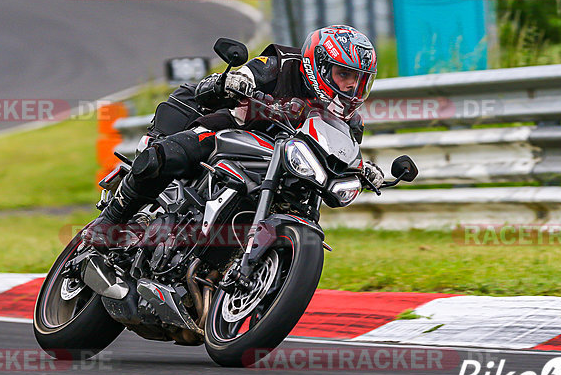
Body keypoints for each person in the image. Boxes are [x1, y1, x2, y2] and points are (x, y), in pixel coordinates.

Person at [82, 25, 384, 248]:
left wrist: (363, 168)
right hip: (234, 129)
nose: (351, 87)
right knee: (167, 155)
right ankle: (111, 219)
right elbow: (253, 73)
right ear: (318, 64)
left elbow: (344, 147)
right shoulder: (284, 63)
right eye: (344, 75)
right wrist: (238, 80)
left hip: (278, 160)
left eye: (359, 80)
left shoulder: (349, 119)